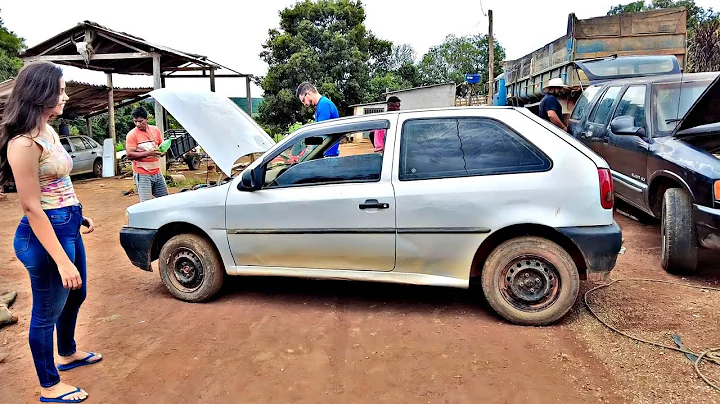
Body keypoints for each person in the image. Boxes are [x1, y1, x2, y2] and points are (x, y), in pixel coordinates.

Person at [0, 61, 101, 403]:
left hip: (66, 223)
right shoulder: (23, 144)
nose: (65, 96)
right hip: (44, 237)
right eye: (59, 90)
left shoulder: (49, 130)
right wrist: (62, 261)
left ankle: (68, 352)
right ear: (40, 93)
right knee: (46, 313)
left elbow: (59, 182)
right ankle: (49, 386)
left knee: (77, 295)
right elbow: (31, 206)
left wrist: (78, 215)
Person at [125, 107, 169, 202]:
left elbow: (161, 146)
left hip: (157, 172)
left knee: (166, 200)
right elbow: (129, 155)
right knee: (146, 204)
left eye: (140, 121)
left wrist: (162, 152)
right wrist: (149, 153)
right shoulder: (132, 135)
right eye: (135, 121)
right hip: (142, 173)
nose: (138, 124)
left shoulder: (155, 130)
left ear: (147, 119)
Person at [296, 82, 340, 156]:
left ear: (308, 94)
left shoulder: (324, 105)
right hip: (326, 153)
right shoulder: (321, 105)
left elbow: (321, 136)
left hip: (328, 155)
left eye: (303, 100)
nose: (304, 104)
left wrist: (303, 142)